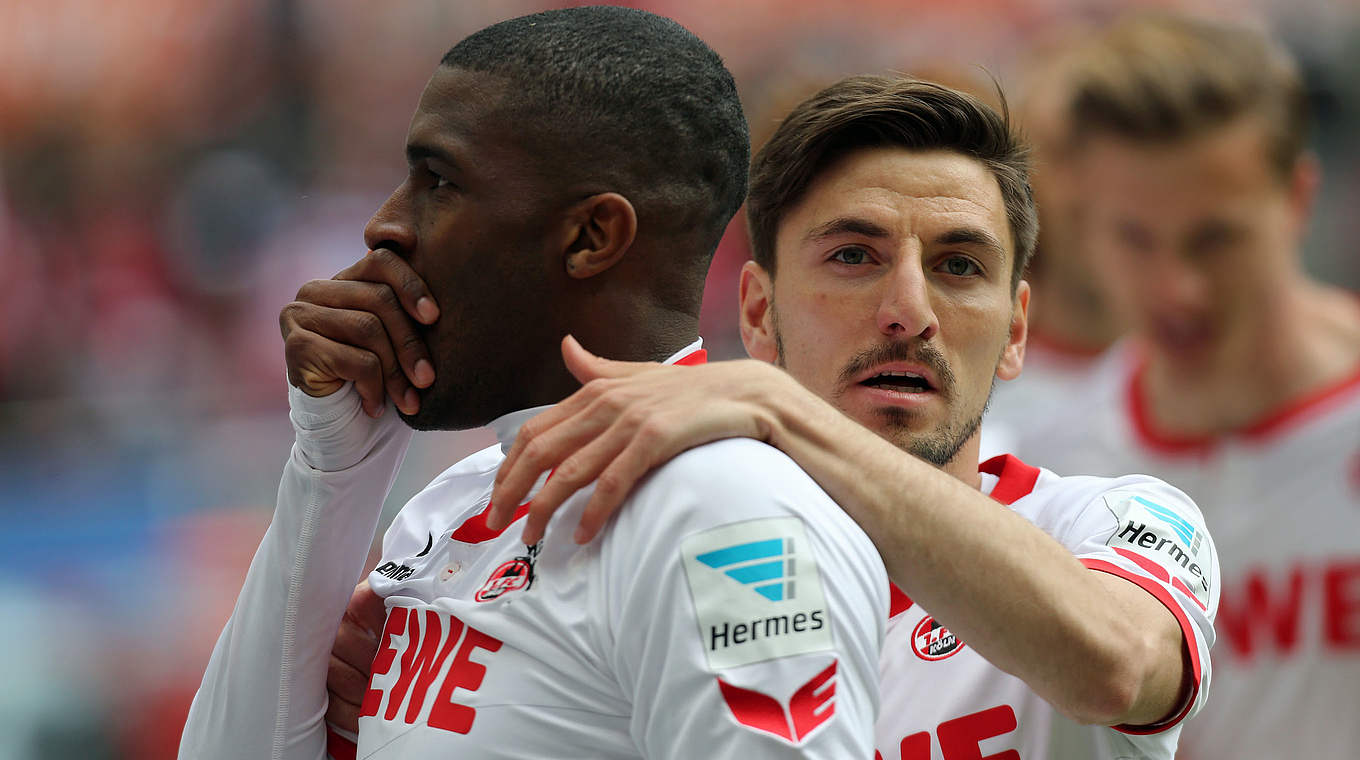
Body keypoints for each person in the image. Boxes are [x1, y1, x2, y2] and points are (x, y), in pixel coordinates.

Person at [329, 75, 1220, 759]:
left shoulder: (1115, 520)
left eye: (958, 267)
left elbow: (1117, 665)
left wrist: (777, 407)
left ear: (1017, 328)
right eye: (853, 255)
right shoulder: (680, 541)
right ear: (757, 313)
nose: (908, 309)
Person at [177, 8, 888, 759]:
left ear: (590, 237)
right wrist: (333, 471)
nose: (385, 225)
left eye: (439, 182)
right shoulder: (450, 511)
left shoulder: (727, 510)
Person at [1002, 14, 1360, 759]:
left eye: (1216, 238)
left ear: (1296, 200)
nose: (1179, 290)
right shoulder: (1052, 471)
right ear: (1080, 224)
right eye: (1134, 238)